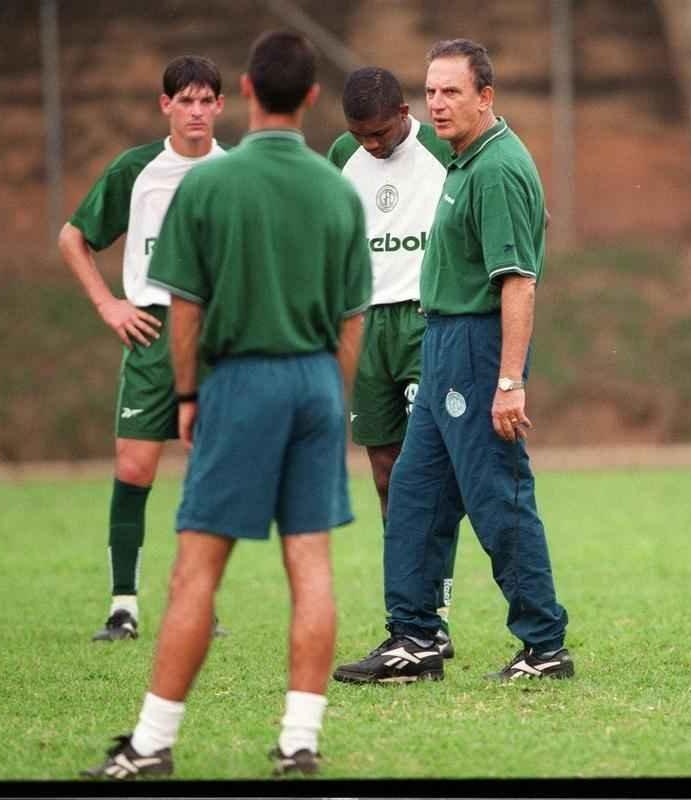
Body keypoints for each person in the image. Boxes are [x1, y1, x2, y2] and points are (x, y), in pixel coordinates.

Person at [83, 30, 371, 779]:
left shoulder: (210, 184)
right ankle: (299, 741)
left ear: (245, 90)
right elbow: (353, 318)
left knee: (195, 574)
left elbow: (183, 307)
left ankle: (150, 743)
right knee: (311, 568)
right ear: (313, 97)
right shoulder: (338, 188)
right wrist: (326, 393)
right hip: (312, 384)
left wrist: (187, 394)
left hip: (239, 384)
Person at [333, 38, 572, 684]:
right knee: (413, 494)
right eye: (432, 91)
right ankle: (415, 637)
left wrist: (509, 380)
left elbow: (518, 282)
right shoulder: (466, 162)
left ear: (485, 97)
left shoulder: (496, 169)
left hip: (475, 347)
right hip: (440, 344)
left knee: (496, 492)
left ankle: (544, 644)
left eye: (453, 92)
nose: (438, 104)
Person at [58, 56, 228, 642]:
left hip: (216, 339)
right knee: (134, 467)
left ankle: (201, 601)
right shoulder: (138, 170)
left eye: (207, 101)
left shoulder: (236, 173)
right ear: (166, 106)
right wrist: (109, 304)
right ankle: (123, 605)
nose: (197, 111)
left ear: (221, 108)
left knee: (209, 473)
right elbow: (73, 237)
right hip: (153, 334)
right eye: (186, 101)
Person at [327, 67, 461, 659]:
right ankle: (409, 605)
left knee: (426, 468)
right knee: (383, 472)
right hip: (365, 321)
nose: (371, 145)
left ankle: (437, 612)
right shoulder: (341, 155)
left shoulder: (442, 145)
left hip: (423, 317)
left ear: (404, 112)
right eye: (361, 135)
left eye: (380, 133)